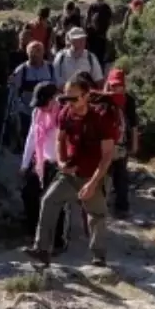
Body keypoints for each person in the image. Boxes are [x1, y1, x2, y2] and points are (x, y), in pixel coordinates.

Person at [30, 71, 119, 267]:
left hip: (93, 173)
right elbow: (60, 140)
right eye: (65, 97)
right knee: (49, 200)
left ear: (86, 96)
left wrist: (94, 183)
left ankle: (98, 257)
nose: (68, 101)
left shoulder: (101, 119)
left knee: (96, 215)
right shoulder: (65, 114)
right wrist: (61, 161)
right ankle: (42, 249)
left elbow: (107, 155)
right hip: (70, 171)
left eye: (73, 97)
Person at [19, 82, 70, 252]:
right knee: (28, 194)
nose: (41, 107)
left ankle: (58, 241)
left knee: (56, 201)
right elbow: (32, 137)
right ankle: (34, 232)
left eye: (44, 103)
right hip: (41, 162)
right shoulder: (37, 113)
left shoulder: (63, 114)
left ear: (53, 98)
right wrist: (25, 164)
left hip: (59, 164)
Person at [104, 68, 140, 219]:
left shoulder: (129, 101)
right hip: (104, 144)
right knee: (104, 175)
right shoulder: (102, 99)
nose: (116, 89)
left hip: (121, 143)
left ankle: (122, 207)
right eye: (113, 85)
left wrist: (135, 144)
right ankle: (101, 206)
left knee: (121, 175)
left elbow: (133, 125)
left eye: (119, 86)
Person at [9, 40, 55, 143]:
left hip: (48, 111)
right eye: (32, 51)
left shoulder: (51, 68)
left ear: (43, 52)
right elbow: (14, 90)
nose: (35, 54)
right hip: (27, 110)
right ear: (27, 53)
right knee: (28, 137)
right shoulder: (22, 70)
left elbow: (57, 86)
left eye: (38, 51)